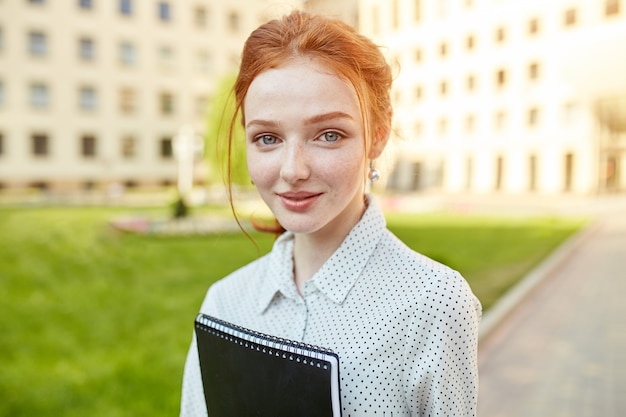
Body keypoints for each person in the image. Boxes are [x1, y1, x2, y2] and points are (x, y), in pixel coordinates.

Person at [180, 10, 481, 417]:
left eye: (328, 134)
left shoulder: (435, 304)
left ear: (377, 134)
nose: (292, 170)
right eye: (267, 138)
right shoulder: (224, 304)